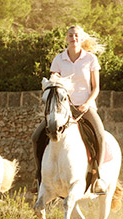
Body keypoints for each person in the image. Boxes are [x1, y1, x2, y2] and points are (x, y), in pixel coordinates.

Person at [31, 25, 107, 194]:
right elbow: (52, 85)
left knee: (100, 135)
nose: (73, 38)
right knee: (36, 137)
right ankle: (39, 177)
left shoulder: (90, 59)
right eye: (71, 35)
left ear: (82, 38)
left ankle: (98, 178)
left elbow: (96, 88)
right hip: (62, 109)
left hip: (84, 107)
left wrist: (87, 104)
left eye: (76, 35)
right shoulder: (59, 59)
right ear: (66, 38)